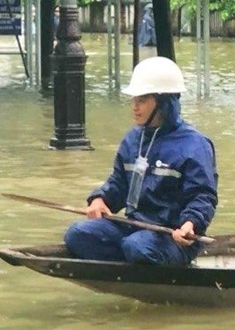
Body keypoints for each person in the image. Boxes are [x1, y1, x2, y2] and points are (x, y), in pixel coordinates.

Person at [64, 56, 218, 265]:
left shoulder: (194, 145)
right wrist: (100, 199)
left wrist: (191, 223)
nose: (134, 107)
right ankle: (133, 262)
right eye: (134, 100)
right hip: (133, 228)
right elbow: (118, 183)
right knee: (77, 234)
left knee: (137, 246)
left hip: (172, 237)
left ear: (163, 102)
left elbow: (203, 196)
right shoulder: (132, 140)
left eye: (142, 100)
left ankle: (146, 260)